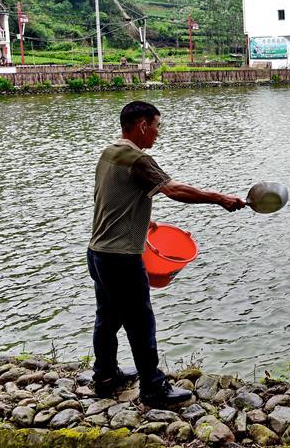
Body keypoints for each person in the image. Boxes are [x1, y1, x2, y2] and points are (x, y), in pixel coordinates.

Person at [88, 101, 246, 407]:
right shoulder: (137, 159)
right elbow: (174, 190)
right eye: (157, 126)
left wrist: (143, 220)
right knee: (140, 321)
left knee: (106, 318)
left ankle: (105, 377)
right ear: (143, 126)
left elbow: (112, 197)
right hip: (121, 259)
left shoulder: (109, 153)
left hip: (97, 252)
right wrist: (220, 198)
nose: (158, 134)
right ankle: (153, 388)